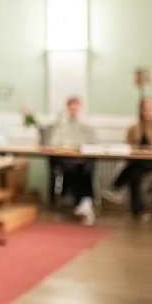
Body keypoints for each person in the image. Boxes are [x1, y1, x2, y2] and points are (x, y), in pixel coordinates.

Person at [104, 98, 152, 221]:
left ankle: (116, 187)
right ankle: (138, 211)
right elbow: (129, 146)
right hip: (137, 161)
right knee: (135, 173)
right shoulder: (133, 128)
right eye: (144, 109)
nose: (147, 111)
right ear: (140, 110)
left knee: (134, 170)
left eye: (149, 109)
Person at [49, 96, 97, 226]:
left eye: (76, 108)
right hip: (66, 159)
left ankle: (84, 203)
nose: (73, 110)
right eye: (71, 108)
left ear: (80, 109)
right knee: (74, 169)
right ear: (67, 109)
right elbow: (55, 145)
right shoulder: (61, 126)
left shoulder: (86, 126)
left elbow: (92, 144)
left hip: (83, 158)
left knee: (84, 169)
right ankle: (85, 202)